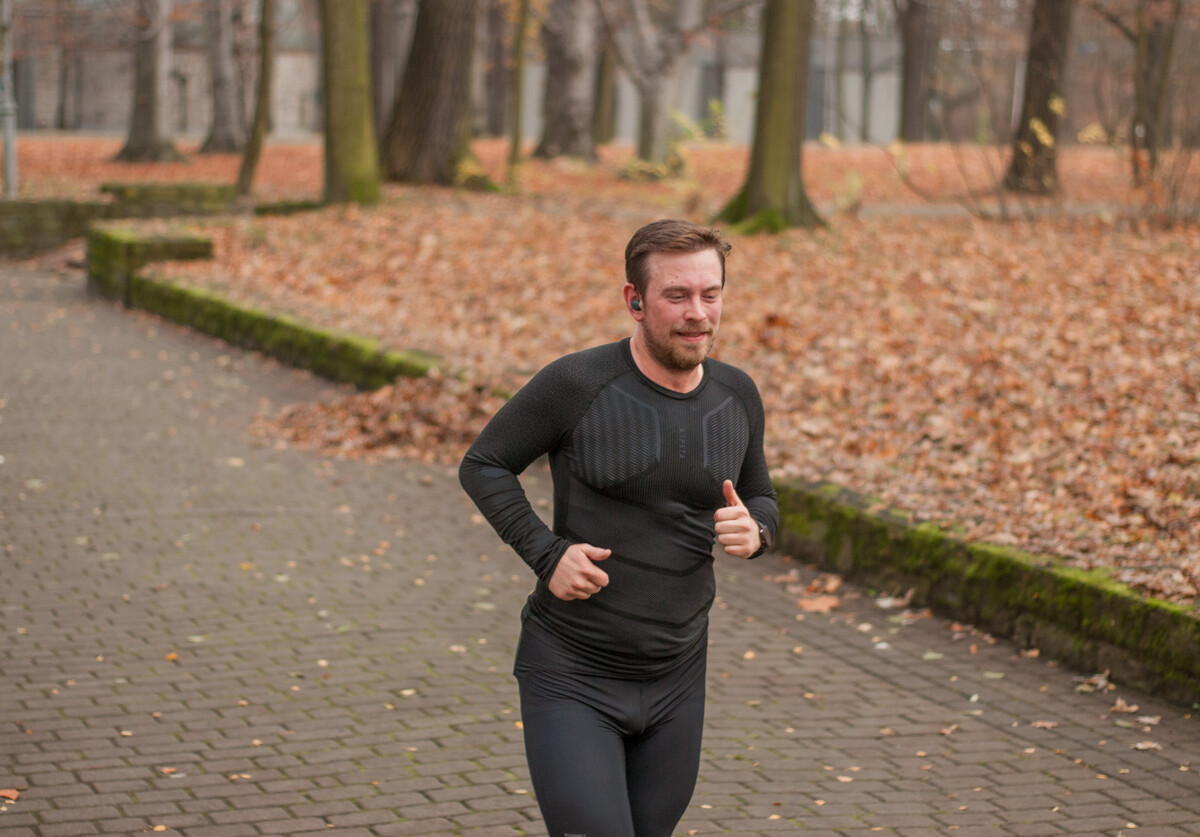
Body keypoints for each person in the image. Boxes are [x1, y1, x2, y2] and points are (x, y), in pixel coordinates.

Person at [459, 218, 778, 837]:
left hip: (678, 675)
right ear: (634, 300)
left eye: (710, 295)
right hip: (573, 671)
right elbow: (485, 464)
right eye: (676, 296)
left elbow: (761, 494)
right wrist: (547, 555)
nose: (697, 314)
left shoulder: (737, 395)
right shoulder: (577, 384)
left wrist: (758, 529)